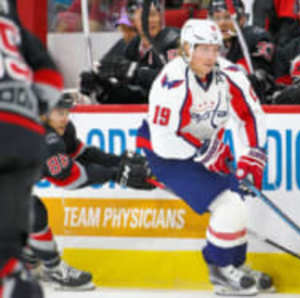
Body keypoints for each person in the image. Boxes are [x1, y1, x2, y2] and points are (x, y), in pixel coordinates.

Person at [136, 19, 274, 296]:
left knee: (238, 202)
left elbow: (249, 115)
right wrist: (204, 151)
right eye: (204, 49)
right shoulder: (172, 81)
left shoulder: (230, 74)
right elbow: (165, 136)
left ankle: (235, 264)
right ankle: (220, 269)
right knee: (228, 204)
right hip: (167, 155)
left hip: (204, 147)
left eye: (215, 49)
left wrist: (252, 154)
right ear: (187, 48)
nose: (211, 56)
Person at [22, 95, 155, 291]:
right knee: (31, 211)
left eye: (67, 112)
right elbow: (69, 178)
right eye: (60, 113)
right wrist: (116, 175)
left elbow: (82, 154)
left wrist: (118, 162)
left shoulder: (59, 132)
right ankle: (53, 269)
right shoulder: (42, 139)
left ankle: (26, 257)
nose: (65, 118)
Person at [0, 0, 63, 297]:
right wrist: (25, 112)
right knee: (8, 257)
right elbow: (51, 79)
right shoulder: (13, 22)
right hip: (24, 134)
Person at [80, 0, 180, 104]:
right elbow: (107, 72)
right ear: (132, 21)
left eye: (153, 15)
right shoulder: (126, 45)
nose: (150, 21)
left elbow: (177, 79)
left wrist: (135, 73)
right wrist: (99, 83)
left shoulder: (172, 39)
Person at [208, 0, 276, 102]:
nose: (222, 23)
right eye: (216, 18)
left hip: (257, 105)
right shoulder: (208, 44)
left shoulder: (255, 37)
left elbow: (256, 77)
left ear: (242, 19)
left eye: (227, 17)